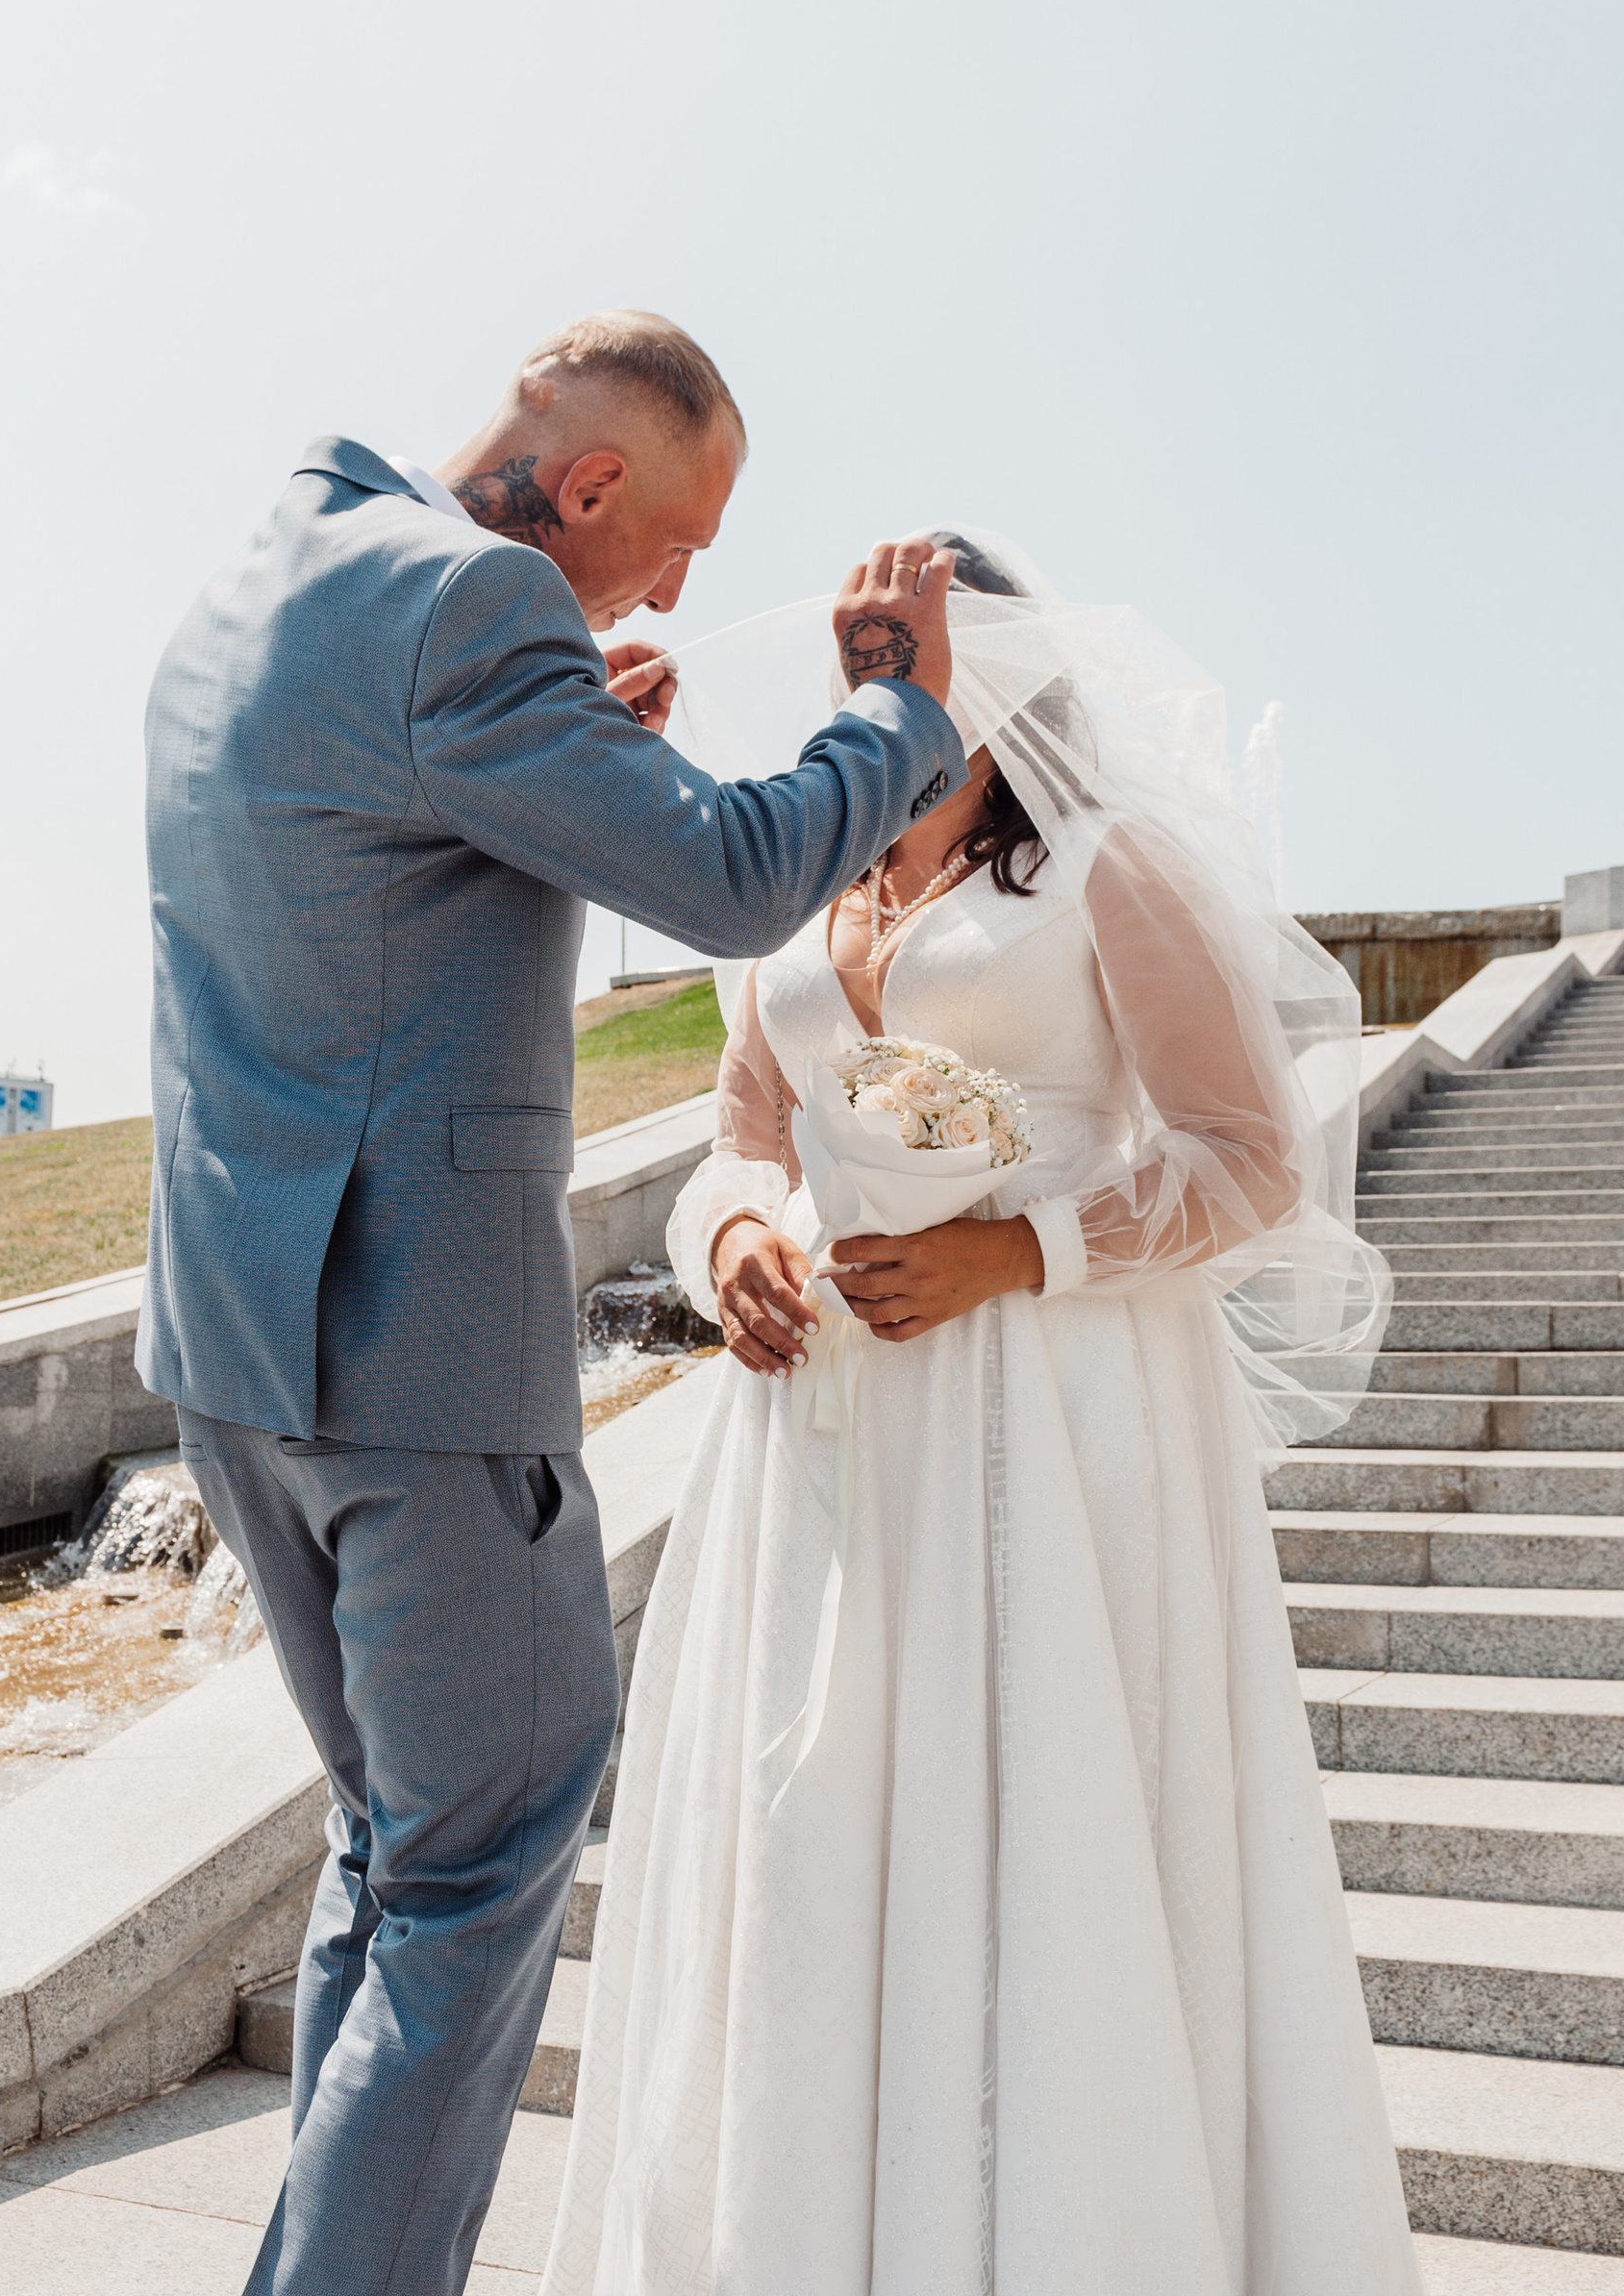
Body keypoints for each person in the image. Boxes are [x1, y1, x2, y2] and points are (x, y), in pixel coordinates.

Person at [138, 310, 967, 2296]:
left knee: (399, 1843)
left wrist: (573, 725)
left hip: (236, 1348)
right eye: (676, 538)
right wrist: (891, 706)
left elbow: (372, 882)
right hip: (414, 1360)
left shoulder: (266, 578)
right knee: (487, 1842)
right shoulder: (480, 605)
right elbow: (734, 877)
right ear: (591, 486)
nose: (679, 581)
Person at [544, 534, 1422, 2294]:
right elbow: (745, 1131)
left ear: (988, 651)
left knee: (1034, 1821)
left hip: (1050, 1399)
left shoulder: (1110, 866)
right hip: (822, 1431)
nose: (872, 658)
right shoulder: (802, 874)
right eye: (861, 642)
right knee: (812, 1842)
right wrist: (733, 1249)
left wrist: (1015, 1252)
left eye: (906, 635)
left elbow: (1249, 1164)